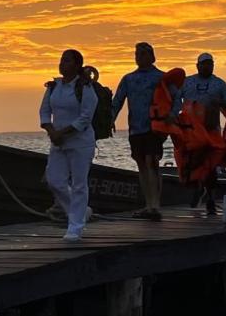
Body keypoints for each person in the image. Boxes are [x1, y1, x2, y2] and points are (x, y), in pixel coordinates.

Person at [40, 49, 98, 242]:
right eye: (61, 60)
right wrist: (51, 131)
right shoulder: (53, 87)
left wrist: (62, 132)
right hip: (58, 143)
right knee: (54, 180)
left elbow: (85, 118)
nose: (62, 64)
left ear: (76, 65)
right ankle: (82, 211)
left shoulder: (85, 88)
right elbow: (44, 112)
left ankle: (75, 227)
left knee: (79, 184)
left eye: (66, 61)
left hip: (80, 143)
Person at [171, 53, 226, 214]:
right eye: (204, 64)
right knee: (192, 163)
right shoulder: (188, 82)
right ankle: (197, 188)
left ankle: (211, 199)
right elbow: (177, 100)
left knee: (211, 166)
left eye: (210, 64)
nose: (207, 66)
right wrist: (172, 117)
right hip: (191, 133)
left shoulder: (219, 84)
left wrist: (219, 103)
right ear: (197, 65)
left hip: (212, 131)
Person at [111, 42, 166, 221]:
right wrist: (110, 119)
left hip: (154, 127)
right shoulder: (128, 79)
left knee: (153, 161)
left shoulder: (161, 77)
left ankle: (155, 204)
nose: (139, 57)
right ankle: (147, 204)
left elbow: (174, 99)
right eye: (137, 54)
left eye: (143, 53)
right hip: (135, 127)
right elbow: (118, 100)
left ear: (152, 56)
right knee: (141, 163)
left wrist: (172, 118)